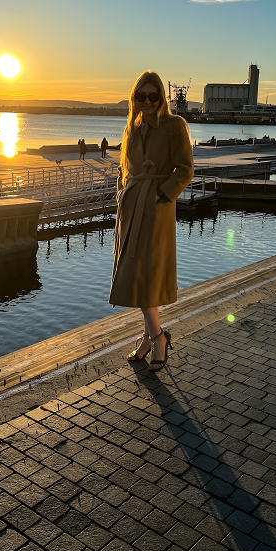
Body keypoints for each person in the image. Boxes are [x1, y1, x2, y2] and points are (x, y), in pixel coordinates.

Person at [110, 71, 193, 372]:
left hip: (156, 209)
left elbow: (185, 169)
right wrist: (122, 191)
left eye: (153, 96)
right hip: (132, 205)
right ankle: (151, 337)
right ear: (134, 98)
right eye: (140, 96)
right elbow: (124, 167)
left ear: (162, 97)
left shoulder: (174, 126)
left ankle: (157, 337)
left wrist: (161, 195)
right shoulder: (132, 127)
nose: (146, 101)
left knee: (146, 275)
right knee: (136, 274)